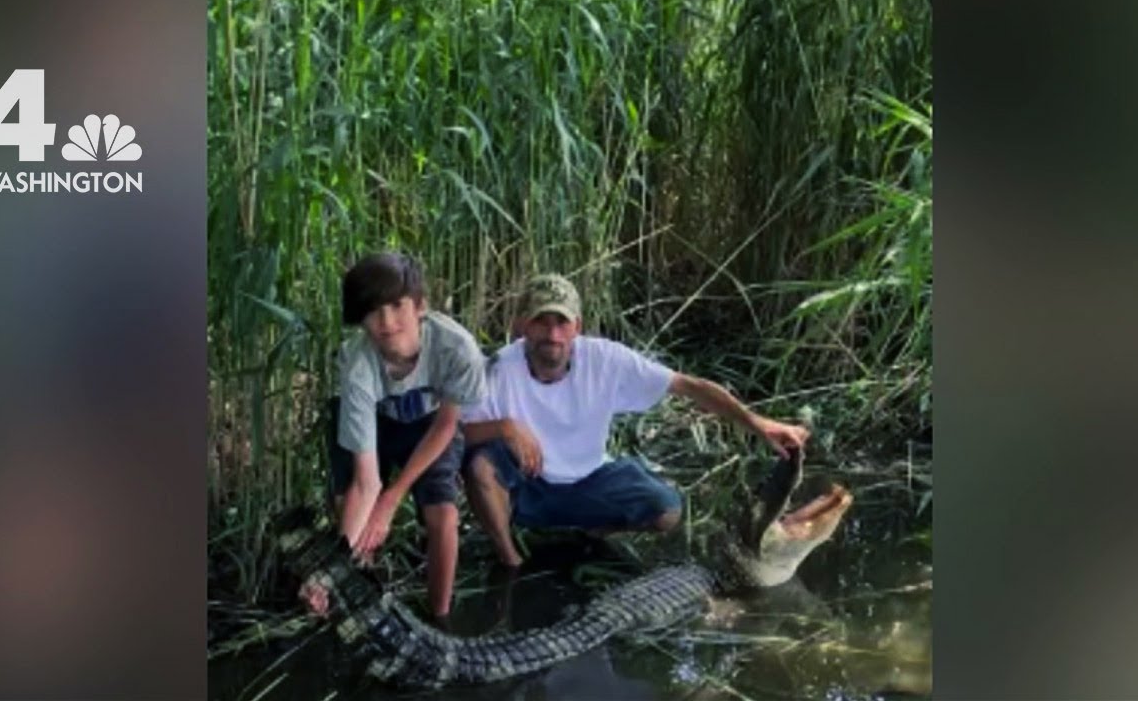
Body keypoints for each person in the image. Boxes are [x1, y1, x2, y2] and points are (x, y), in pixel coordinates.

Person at [460, 273, 810, 568]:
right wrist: (504, 427)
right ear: (522, 325)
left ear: (577, 328)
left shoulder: (605, 359)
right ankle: (510, 561)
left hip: (589, 477)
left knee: (668, 511)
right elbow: (455, 432)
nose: (552, 335)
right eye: (541, 321)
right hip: (529, 488)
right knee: (480, 466)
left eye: (561, 322)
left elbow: (689, 386)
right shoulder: (498, 369)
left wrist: (759, 423)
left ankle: (594, 531)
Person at [298, 252, 486, 622]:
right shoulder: (357, 364)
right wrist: (328, 574)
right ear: (360, 318)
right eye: (372, 311)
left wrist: (392, 500)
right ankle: (356, 597)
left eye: (397, 306)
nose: (386, 321)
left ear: (420, 306)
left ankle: (440, 618)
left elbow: (448, 426)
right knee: (351, 509)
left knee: (444, 517)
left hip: (431, 424)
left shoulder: (458, 349)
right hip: (376, 424)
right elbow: (366, 483)